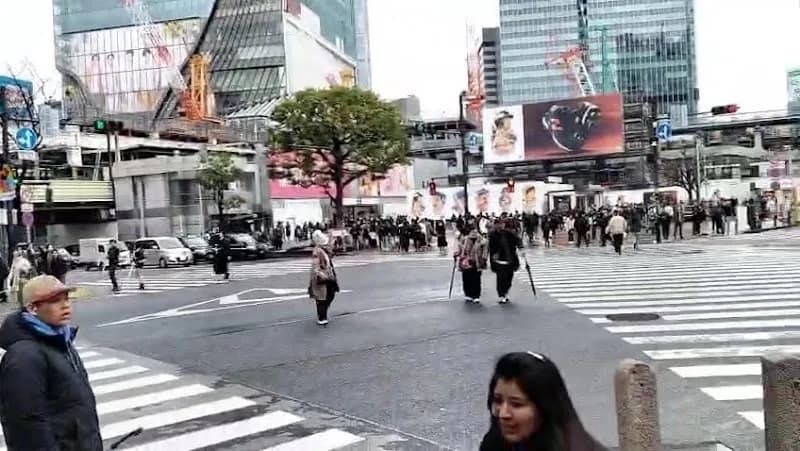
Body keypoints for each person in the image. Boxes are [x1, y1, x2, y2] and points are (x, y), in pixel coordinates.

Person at [0, 275, 103, 450]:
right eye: (55, 301)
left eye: (66, 299)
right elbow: (26, 425)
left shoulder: (60, 341)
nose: (65, 306)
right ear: (33, 308)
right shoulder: (24, 355)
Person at [479, 352, 606, 451]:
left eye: (517, 404)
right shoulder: (495, 442)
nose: (503, 414)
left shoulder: (576, 447)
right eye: (498, 401)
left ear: (545, 407)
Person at [309, 230, 339, 325]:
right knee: (323, 297)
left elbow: (331, 255)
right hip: (322, 276)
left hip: (327, 275)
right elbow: (316, 264)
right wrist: (319, 273)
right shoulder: (317, 251)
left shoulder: (323, 249)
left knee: (329, 294)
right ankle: (322, 317)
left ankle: (323, 314)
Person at [488, 218, 520, 304]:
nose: (499, 225)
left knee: (509, 278)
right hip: (499, 261)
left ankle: (505, 291)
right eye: (497, 224)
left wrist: (521, 249)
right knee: (501, 279)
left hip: (510, 260)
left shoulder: (509, 233)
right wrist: (491, 260)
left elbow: (518, 241)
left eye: (501, 224)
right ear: (495, 225)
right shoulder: (492, 235)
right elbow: (490, 249)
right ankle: (502, 295)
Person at [455, 226, 488, 303]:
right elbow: (460, 249)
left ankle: (476, 295)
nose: (473, 233)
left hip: (477, 262)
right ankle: (468, 294)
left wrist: (484, 259)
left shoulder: (482, 241)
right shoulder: (464, 240)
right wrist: (457, 254)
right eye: (472, 231)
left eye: (475, 231)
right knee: (466, 279)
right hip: (466, 262)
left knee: (476, 279)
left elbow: (485, 252)